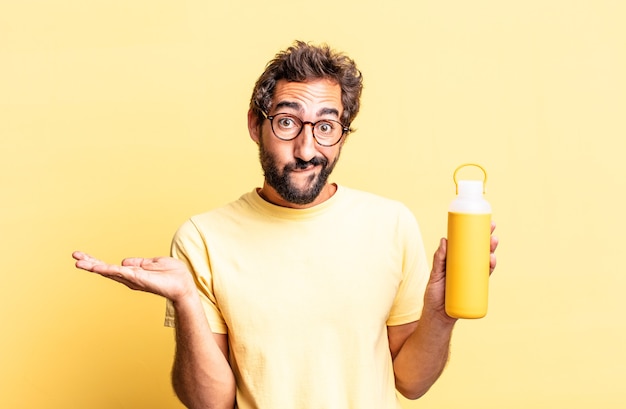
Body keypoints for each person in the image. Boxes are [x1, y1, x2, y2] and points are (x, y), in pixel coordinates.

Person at [73, 40, 499, 409]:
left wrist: (441, 316)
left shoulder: (391, 224)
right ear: (256, 125)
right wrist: (185, 300)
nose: (307, 148)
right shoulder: (202, 239)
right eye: (288, 122)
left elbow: (411, 382)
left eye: (326, 126)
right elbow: (210, 403)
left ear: (343, 136)